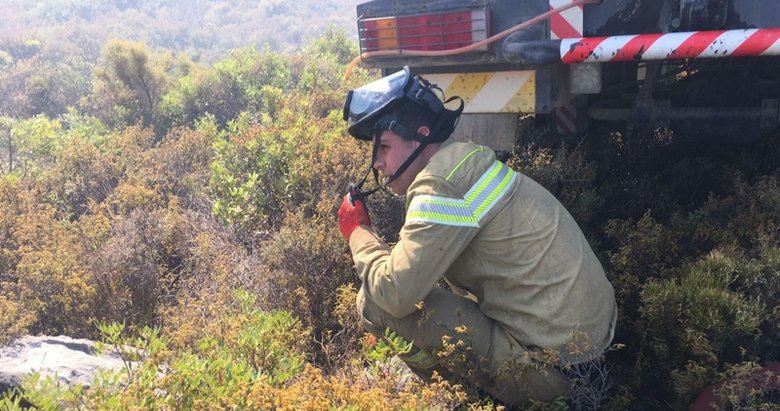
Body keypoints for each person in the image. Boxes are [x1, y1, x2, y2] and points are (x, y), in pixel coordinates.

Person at [337, 67, 617, 407]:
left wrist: (358, 233)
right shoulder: (466, 160)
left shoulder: (440, 186)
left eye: (384, 147)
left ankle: (470, 399)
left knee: (374, 303)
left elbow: (395, 294)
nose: (377, 163)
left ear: (421, 136)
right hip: (596, 354)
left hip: (551, 375)